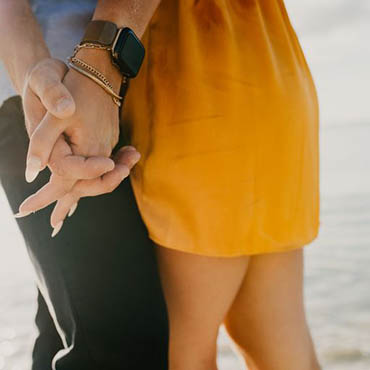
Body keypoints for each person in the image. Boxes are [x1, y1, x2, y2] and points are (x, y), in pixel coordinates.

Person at [5, 1, 321, 370]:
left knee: (174, 353)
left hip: (198, 80)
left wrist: (96, 70)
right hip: (266, 66)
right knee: (275, 341)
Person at [0, 1, 168, 369]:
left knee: (72, 329)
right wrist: (74, 74)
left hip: (119, 85)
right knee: (117, 342)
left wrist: (96, 68)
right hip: (46, 102)